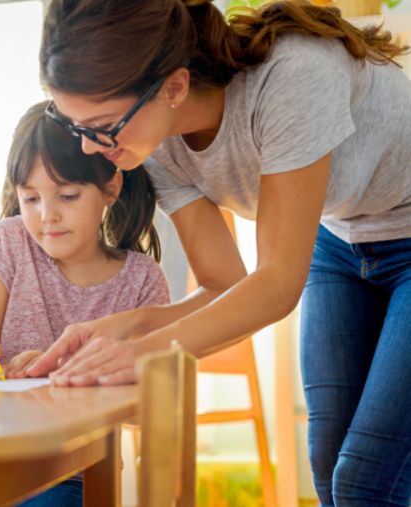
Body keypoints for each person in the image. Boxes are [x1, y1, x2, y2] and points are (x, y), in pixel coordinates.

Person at [25, 0, 411, 504]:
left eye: (103, 126)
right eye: (78, 127)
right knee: (328, 461)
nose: (91, 150)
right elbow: (225, 284)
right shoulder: (157, 142)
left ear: (174, 87)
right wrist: (132, 326)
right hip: (340, 239)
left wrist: (145, 353)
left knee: (364, 480)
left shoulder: (294, 75)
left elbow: (276, 283)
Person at [0, 102, 170, 506]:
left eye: (67, 195)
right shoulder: (9, 243)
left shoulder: (142, 282)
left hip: (76, 471)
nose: (47, 216)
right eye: (30, 199)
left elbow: (149, 409)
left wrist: (55, 374)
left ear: (111, 188)